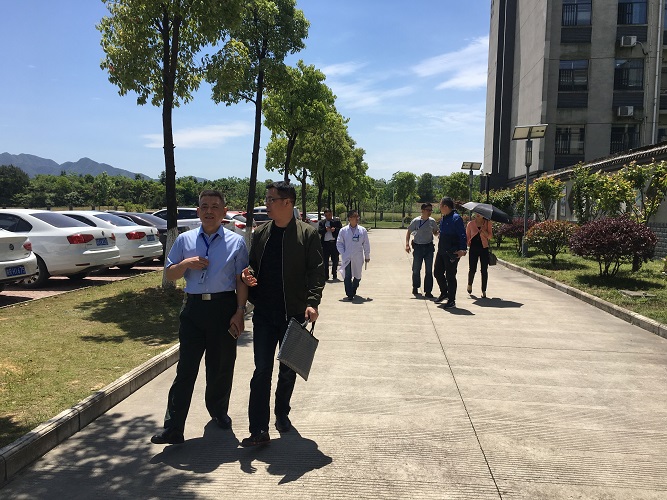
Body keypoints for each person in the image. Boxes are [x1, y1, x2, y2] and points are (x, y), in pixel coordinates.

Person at [151, 189, 249, 445]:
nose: (209, 211)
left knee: (221, 366)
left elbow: (241, 280)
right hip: (193, 309)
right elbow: (170, 274)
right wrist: (185, 264)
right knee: (186, 369)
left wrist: (240, 311)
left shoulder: (236, 242)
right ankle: (173, 427)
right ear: (197, 211)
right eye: (204, 206)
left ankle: (218, 411)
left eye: (215, 206)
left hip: (223, 307)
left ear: (224, 211)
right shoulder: (184, 240)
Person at [240, 181, 325, 447]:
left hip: (294, 314)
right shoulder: (262, 233)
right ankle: (258, 429)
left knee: (287, 370)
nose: (266, 204)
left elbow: (316, 271)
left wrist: (312, 302)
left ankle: (282, 413)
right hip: (264, 313)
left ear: (287, 203)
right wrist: (248, 274)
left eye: (271, 199)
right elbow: (253, 264)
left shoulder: (307, 234)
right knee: (261, 371)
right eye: (266, 199)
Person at [433, 197, 467, 308]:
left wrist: (463, 250)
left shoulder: (456, 218)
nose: (439, 208)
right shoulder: (444, 218)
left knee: (450, 276)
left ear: (446, 206)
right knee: (437, 272)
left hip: (452, 252)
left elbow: (462, 234)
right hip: (442, 250)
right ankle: (444, 293)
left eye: (440, 206)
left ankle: (451, 300)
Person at [405, 203, 439, 298]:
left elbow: (435, 233)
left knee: (429, 270)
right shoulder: (416, 221)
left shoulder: (432, 221)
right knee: (416, 269)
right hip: (418, 248)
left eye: (431, 210)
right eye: (428, 210)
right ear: (422, 210)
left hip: (429, 248)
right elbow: (409, 232)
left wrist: (437, 232)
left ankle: (428, 291)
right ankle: (415, 286)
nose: (430, 212)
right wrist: (407, 244)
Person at [336, 210, 371, 300]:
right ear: (350, 218)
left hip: (358, 257)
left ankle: (354, 288)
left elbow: (366, 244)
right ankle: (350, 294)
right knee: (347, 276)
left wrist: (367, 256)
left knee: (357, 276)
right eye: (355, 217)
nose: (357, 218)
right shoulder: (343, 230)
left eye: (357, 216)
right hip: (347, 257)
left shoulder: (362, 230)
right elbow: (339, 243)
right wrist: (343, 253)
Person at [466, 213, 493, 298]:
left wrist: (484, 231)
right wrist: (467, 244)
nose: (478, 214)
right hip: (473, 248)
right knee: (472, 269)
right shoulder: (470, 224)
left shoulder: (487, 223)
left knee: (484, 270)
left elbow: (490, 236)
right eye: (477, 213)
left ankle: (483, 290)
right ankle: (469, 284)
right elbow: (467, 236)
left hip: (484, 248)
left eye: (480, 213)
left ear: (483, 215)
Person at [318, 208, 342, 281]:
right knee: (325, 261)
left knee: (335, 260)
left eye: (329, 215)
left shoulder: (336, 221)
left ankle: (334, 273)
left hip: (334, 243)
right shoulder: (322, 222)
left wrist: (335, 230)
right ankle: (326, 275)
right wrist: (325, 229)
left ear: (331, 214)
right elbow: (319, 231)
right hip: (325, 244)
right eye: (326, 215)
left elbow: (341, 231)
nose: (328, 216)